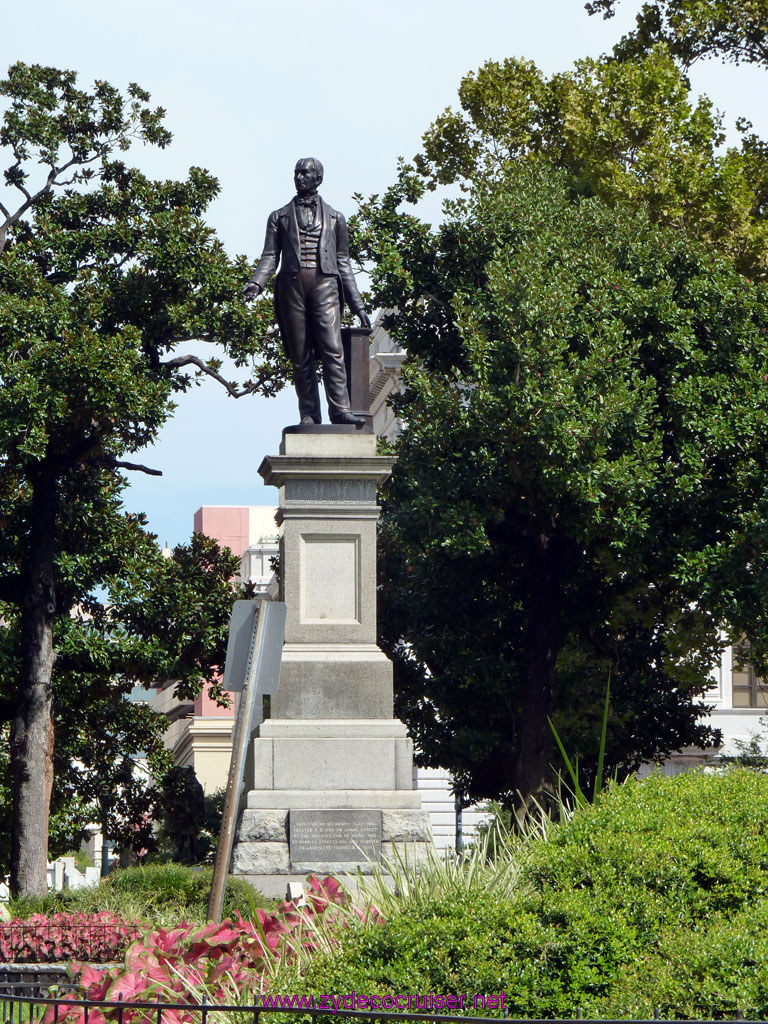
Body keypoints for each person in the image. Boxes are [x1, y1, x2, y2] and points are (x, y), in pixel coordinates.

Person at [243, 157, 371, 426]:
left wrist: (358, 306)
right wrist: (257, 283)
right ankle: (310, 414)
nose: (299, 177)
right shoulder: (279, 216)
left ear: (318, 179)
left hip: (326, 285)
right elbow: (269, 255)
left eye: (305, 173)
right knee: (300, 355)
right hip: (292, 287)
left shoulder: (336, 218)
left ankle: (340, 410)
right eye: (296, 173)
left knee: (332, 349)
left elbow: (343, 263)